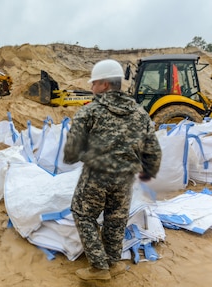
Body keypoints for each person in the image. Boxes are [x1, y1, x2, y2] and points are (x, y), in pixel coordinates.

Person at [63, 59, 162, 281]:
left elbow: (70, 153)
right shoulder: (139, 113)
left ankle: (99, 267)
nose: (91, 88)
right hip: (125, 178)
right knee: (115, 219)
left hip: (96, 175)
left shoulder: (89, 112)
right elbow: (153, 151)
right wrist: (147, 170)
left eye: (94, 83)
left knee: (83, 213)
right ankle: (113, 262)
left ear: (105, 85)